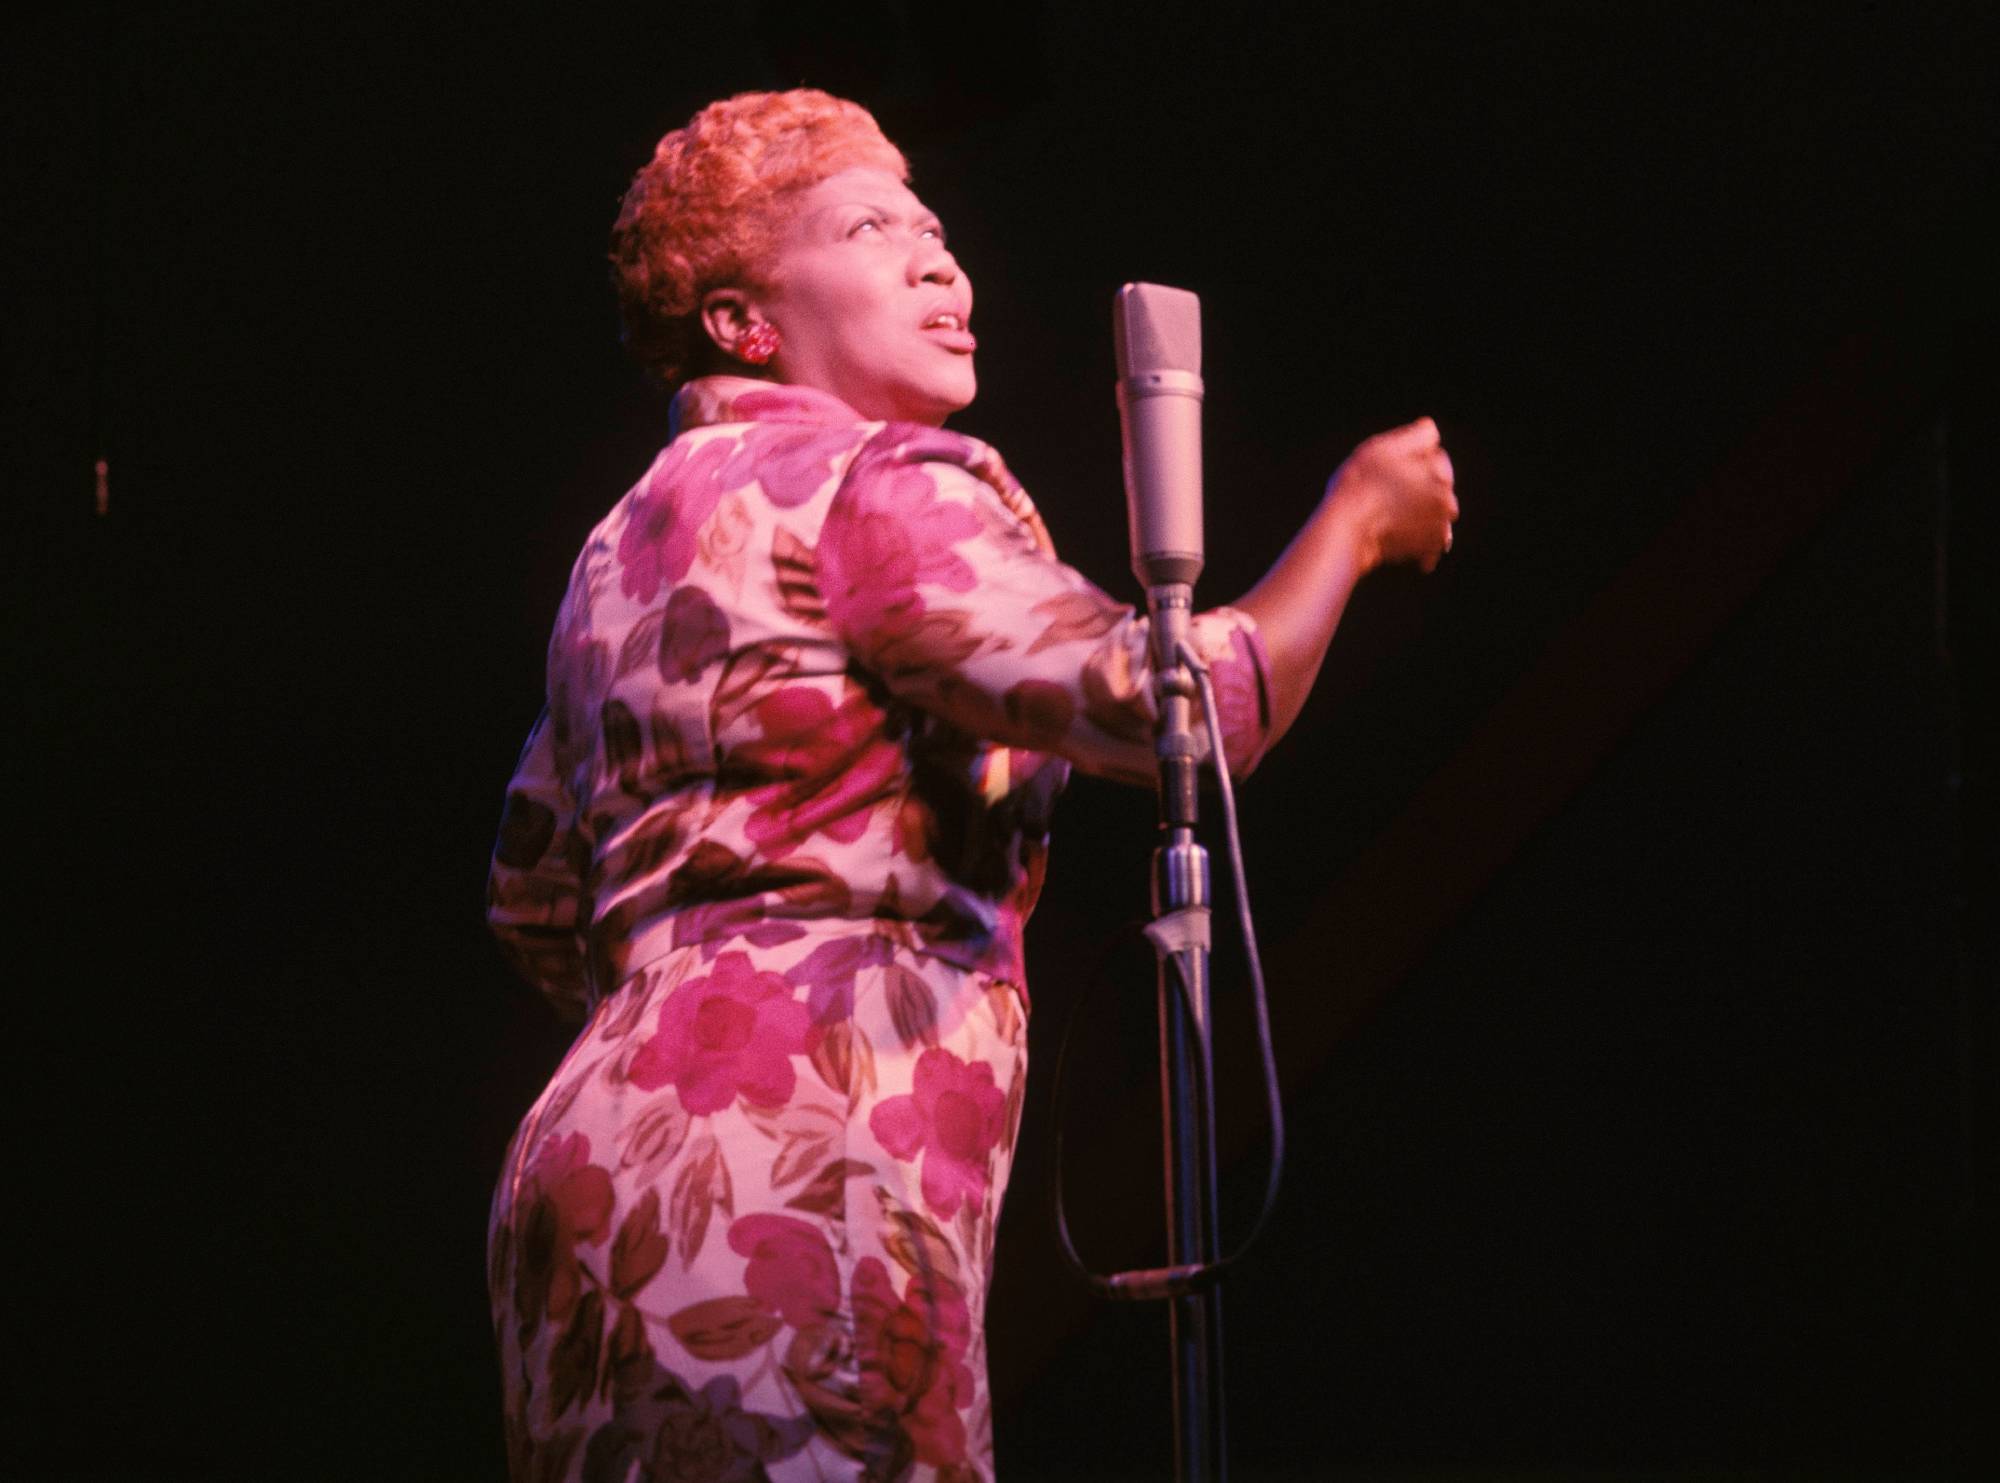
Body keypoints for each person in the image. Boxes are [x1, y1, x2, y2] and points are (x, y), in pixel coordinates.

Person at [485, 88, 1457, 1482]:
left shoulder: (618, 551)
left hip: (587, 1186)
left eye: (935, 227)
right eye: (872, 227)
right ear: (742, 321)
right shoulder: (880, 482)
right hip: (796, 1170)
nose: (940, 260)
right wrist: (1356, 523)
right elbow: (1181, 711)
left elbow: (531, 898)